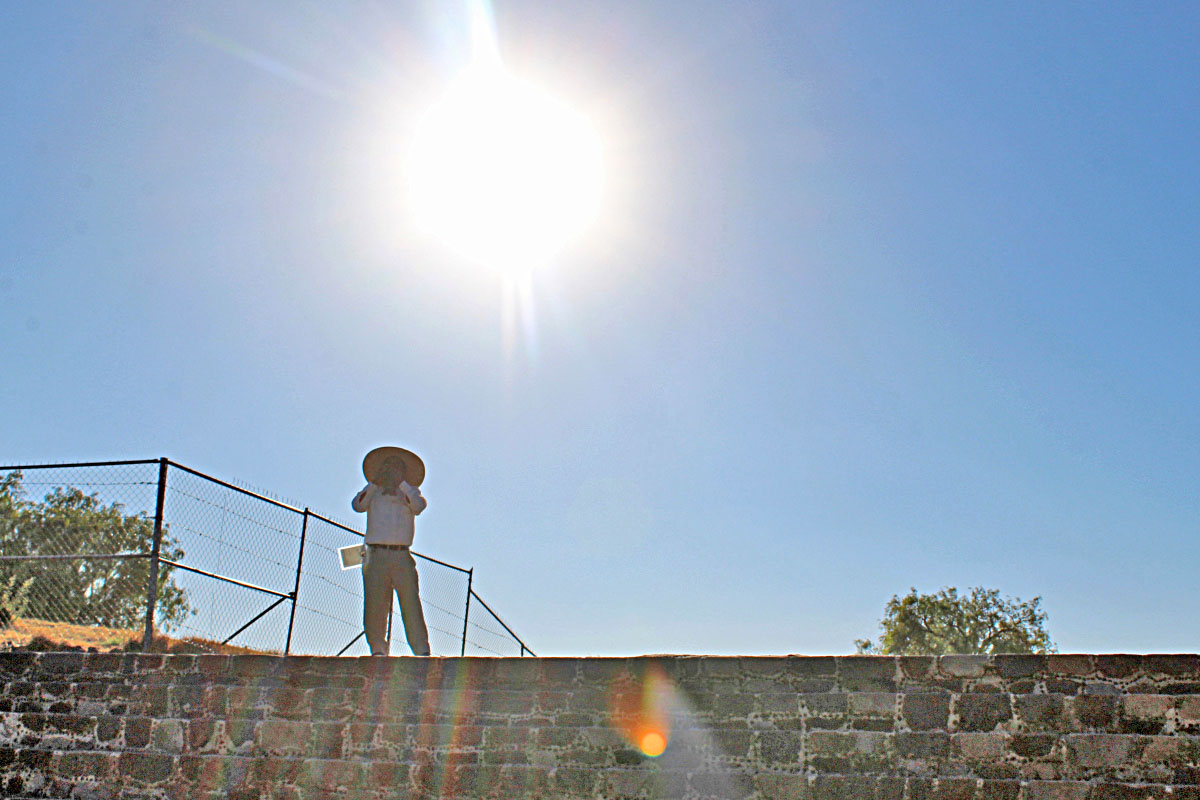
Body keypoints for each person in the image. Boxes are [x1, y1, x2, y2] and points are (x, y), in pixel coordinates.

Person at [352, 446, 430, 656]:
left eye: (396, 467)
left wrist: (403, 484)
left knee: (410, 604)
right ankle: (377, 649)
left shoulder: (409, 494)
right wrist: (375, 482)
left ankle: (421, 651)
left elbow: (419, 506)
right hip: (375, 555)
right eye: (388, 466)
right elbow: (357, 506)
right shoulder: (373, 492)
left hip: (401, 555)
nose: (391, 470)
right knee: (375, 604)